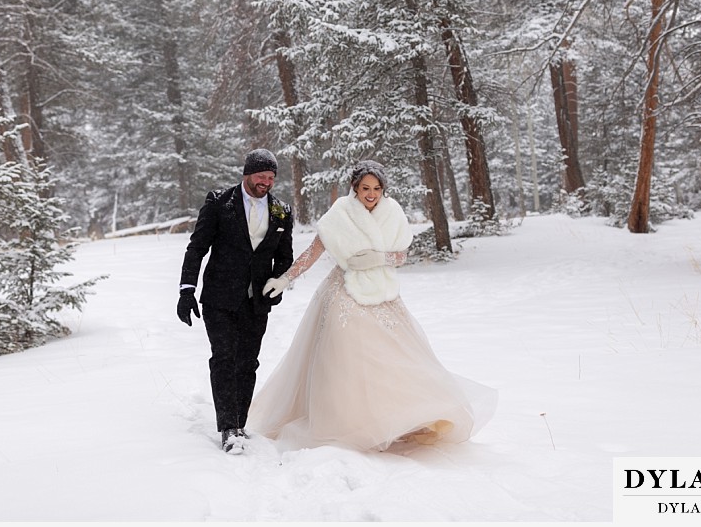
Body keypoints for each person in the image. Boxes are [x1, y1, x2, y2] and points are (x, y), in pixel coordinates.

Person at [249, 160, 496, 452]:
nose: (371, 194)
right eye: (365, 188)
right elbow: (315, 250)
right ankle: (348, 423)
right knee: (343, 357)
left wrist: (378, 259)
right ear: (355, 188)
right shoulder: (339, 214)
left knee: (397, 355)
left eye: (377, 188)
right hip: (344, 291)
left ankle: (405, 418)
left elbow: (401, 255)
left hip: (383, 293)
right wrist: (286, 278)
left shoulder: (392, 213)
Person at [177, 149, 294, 454]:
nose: (265, 182)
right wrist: (186, 289)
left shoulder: (282, 211)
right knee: (224, 359)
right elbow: (197, 247)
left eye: (271, 177)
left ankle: (240, 423)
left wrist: (278, 283)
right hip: (219, 298)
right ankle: (229, 428)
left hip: (257, 303)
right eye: (260, 175)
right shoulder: (219, 202)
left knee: (248, 363)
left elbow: (285, 257)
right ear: (246, 173)